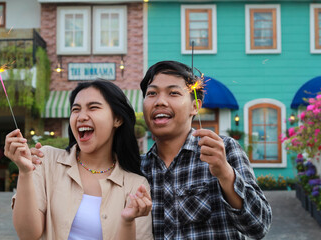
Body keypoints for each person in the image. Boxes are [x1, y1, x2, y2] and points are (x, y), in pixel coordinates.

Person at [31, 61, 272, 239]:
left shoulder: (223, 150)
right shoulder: (137, 168)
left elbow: (259, 226)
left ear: (195, 106)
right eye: (152, 93)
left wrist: (225, 174)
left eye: (174, 93)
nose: (160, 101)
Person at [4, 80, 153, 240]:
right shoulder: (46, 160)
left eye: (93, 107)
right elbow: (27, 234)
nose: (81, 117)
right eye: (76, 110)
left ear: (117, 119)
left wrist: (127, 221)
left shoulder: (136, 185)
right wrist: (25, 172)